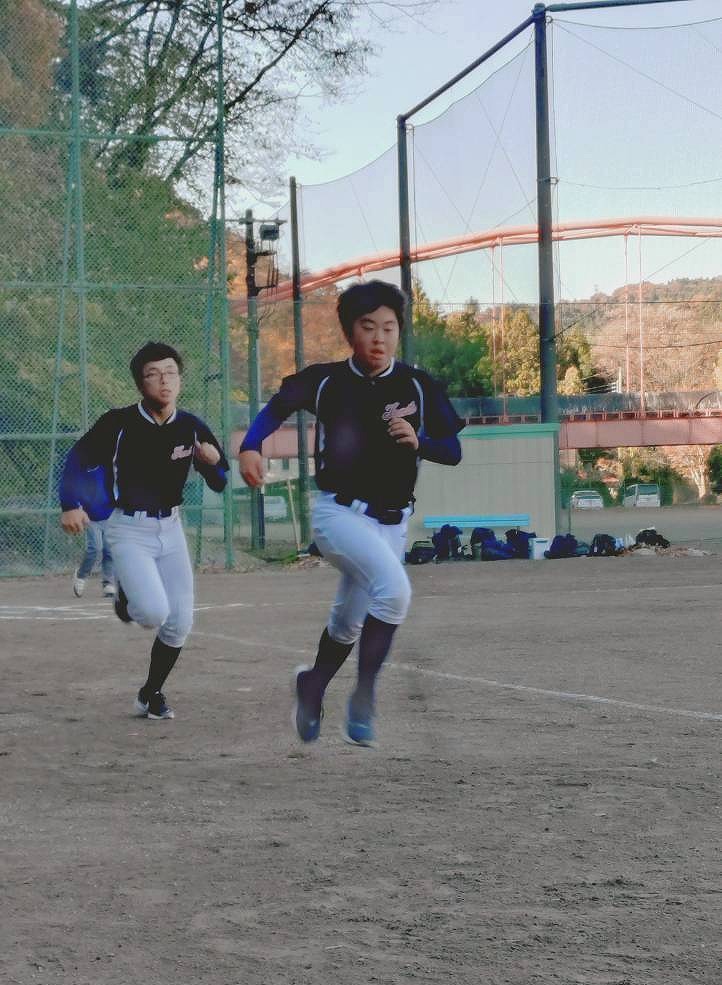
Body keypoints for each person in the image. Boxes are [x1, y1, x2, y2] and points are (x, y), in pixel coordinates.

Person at [239, 279, 463, 747]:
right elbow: (276, 408)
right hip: (338, 515)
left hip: (393, 523)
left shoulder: (417, 385)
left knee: (348, 623)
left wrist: (420, 441)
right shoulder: (327, 380)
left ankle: (312, 684)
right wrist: (251, 445)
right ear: (349, 332)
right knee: (394, 593)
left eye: (389, 327)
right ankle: (363, 698)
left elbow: (453, 450)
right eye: (368, 326)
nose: (379, 337)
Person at [59, 342, 229, 720]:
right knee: (152, 613)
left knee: (180, 622)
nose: (164, 381)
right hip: (128, 529)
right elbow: (77, 459)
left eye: (171, 373)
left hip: (171, 528)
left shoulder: (190, 426)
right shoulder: (118, 423)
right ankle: (125, 597)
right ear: (140, 384)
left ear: (180, 380)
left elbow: (219, 481)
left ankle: (150, 694)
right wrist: (70, 503)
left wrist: (211, 463)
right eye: (153, 374)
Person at [72, 519, 115, 598]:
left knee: (109, 551)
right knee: (95, 548)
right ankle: (80, 575)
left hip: (109, 519)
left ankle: (108, 583)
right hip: (92, 519)